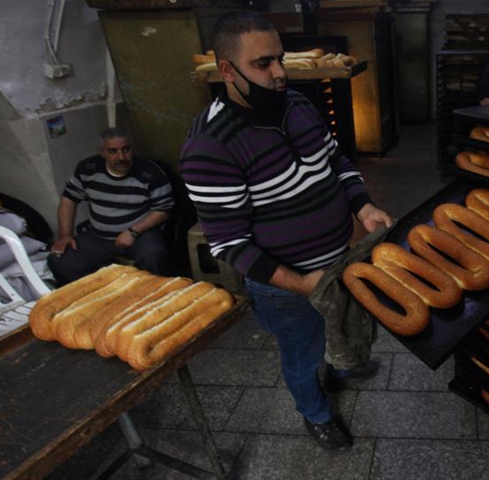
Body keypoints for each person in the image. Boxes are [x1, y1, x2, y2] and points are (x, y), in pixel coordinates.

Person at [179, 12, 392, 452]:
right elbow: (229, 243)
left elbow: (336, 163)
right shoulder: (210, 146)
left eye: (280, 59)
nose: (279, 73)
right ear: (226, 71)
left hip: (340, 258)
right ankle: (315, 412)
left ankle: (341, 368)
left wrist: (364, 206)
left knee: (340, 324)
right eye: (262, 64)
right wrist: (300, 284)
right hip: (285, 285)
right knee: (302, 353)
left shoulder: (297, 105)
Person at [47, 128, 174, 285]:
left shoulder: (149, 172)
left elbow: (163, 210)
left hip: (140, 234)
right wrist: (65, 235)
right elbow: (69, 199)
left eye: (125, 150)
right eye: (113, 151)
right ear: (102, 152)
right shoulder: (88, 169)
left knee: (154, 255)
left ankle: (154, 298)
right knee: (60, 260)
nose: (121, 157)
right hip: (98, 237)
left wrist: (133, 232)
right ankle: (94, 299)